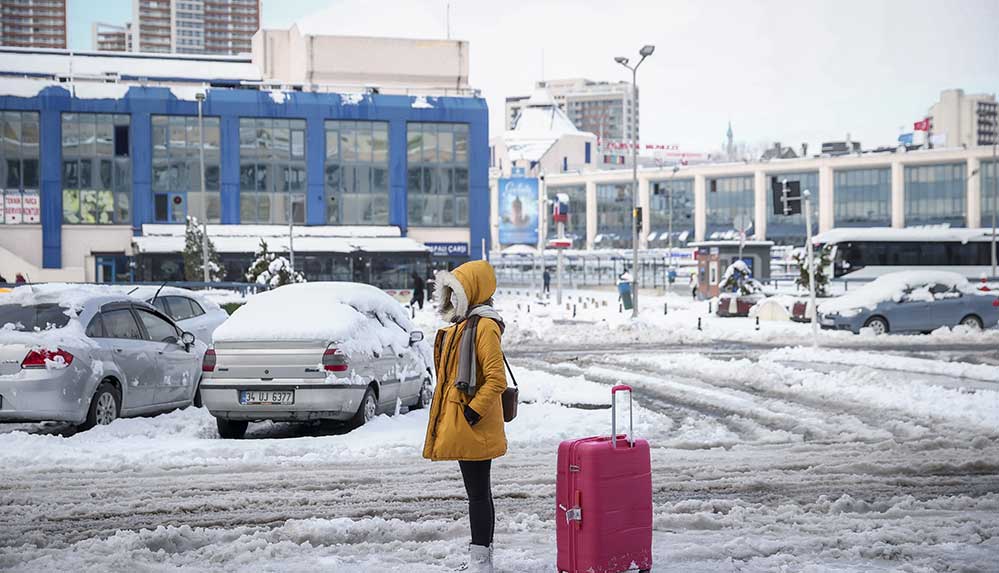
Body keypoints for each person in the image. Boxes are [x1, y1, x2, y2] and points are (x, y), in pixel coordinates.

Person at [423, 260, 508, 573]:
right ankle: (482, 556)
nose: (450, 300)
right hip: (467, 421)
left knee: (477, 496)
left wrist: (472, 412)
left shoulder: (483, 327)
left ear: (471, 291)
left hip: (474, 423)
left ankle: (481, 560)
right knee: (479, 493)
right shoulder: (464, 326)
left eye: (455, 293)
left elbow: (496, 378)